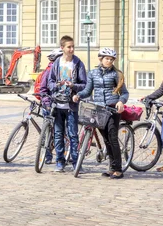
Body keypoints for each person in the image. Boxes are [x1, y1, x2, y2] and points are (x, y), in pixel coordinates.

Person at [73, 48, 129, 179]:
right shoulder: (92, 73)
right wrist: (78, 95)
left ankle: (118, 169)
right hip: (98, 109)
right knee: (106, 140)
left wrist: (121, 101)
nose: (109, 61)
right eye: (107, 58)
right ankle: (111, 167)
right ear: (100, 59)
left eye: (111, 59)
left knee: (112, 137)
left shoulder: (116, 74)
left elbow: (124, 92)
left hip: (112, 109)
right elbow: (87, 90)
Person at [47, 35, 87, 172]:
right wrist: (56, 86)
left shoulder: (78, 63)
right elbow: (50, 82)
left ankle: (76, 163)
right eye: (69, 47)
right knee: (58, 134)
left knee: (73, 135)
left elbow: (84, 85)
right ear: (62, 48)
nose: (71, 49)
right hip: (57, 105)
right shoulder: (57, 63)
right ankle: (60, 161)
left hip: (71, 105)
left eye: (73, 47)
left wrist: (73, 86)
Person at [36, 48, 63, 164]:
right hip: (50, 105)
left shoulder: (60, 69)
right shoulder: (50, 71)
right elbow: (43, 89)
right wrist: (47, 103)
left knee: (55, 132)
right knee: (50, 132)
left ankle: (54, 156)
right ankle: (48, 156)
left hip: (58, 104)